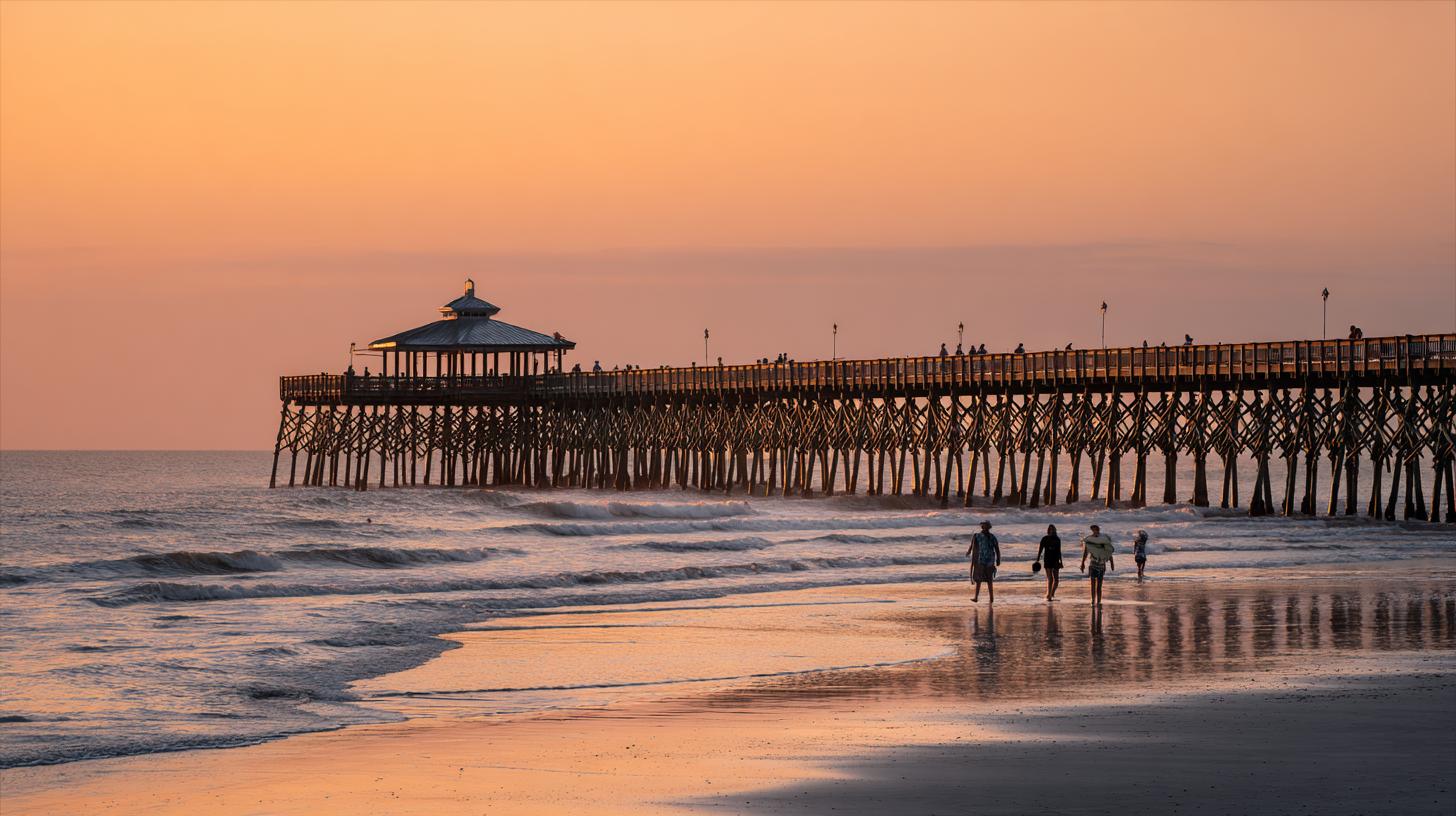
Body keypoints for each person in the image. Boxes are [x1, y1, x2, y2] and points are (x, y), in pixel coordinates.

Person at [966, 521, 1001, 604]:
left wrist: (998, 559)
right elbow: (972, 545)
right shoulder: (977, 536)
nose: (984, 528)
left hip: (990, 559)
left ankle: (991, 598)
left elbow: (997, 548)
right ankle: (976, 597)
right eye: (983, 526)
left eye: (986, 526)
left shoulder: (992, 537)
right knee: (978, 579)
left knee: (989, 579)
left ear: (989, 527)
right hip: (980, 559)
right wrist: (969, 551)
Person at [1080, 524, 1115, 605]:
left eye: (1097, 530)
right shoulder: (1090, 541)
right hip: (1093, 565)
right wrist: (1082, 564)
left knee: (1099, 585)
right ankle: (1093, 600)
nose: (1096, 531)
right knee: (1092, 584)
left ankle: (1098, 601)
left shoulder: (1103, 540)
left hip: (1101, 565)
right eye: (1094, 530)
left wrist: (1112, 563)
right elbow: (1085, 553)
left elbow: (1108, 552)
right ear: (1092, 530)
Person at [1036, 524, 1063, 601]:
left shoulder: (1057, 539)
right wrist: (1037, 559)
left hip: (1056, 560)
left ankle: (1052, 593)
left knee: (1057, 579)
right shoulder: (1044, 539)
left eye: (1053, 529)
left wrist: (1061, 561)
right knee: (1050, 578)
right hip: (1047, 560)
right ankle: (1049, 595)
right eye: (1050, 529)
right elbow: (1040, 549)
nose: (1051, 531)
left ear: (1055, 530)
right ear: (1048, 530)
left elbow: (1059, 551)